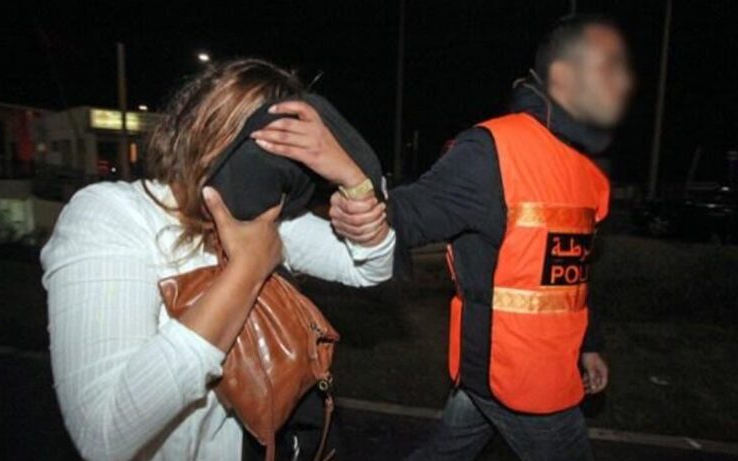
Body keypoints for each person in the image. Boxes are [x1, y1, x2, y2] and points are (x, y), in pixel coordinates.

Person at [252, 14, 634, 461]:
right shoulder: (492, 151)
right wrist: (357, 196)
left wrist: (589, 344)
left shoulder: (584, 171)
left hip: (540, 367)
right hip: (516, 377)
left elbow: (570, 272)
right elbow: (405, 216)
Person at [41, 59, 394, 460]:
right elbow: (105, 436)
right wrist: (247, 270)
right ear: (201, 128)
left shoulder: (264, 217)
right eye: (258, 141)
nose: (269, 165)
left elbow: (370, 268)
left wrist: (354, 179)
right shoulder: (113, 215)